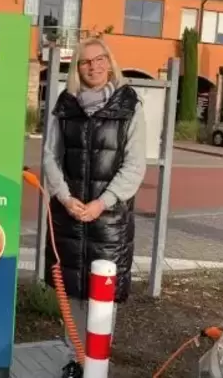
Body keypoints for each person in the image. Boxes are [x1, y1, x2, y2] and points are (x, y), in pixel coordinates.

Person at [42, 37, 146, 376]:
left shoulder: (130, 105)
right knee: (72, 290)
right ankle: (78, 359)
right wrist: (65, 198)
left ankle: (97, 362)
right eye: (86, 62)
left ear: (109, 62)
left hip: (108, 220)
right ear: (78, 67)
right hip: (69, 215)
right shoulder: (65, 104)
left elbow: (134, 165)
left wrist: (102, 203)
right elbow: (50, 156)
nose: (94, 66)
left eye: (100, 59)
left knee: (102, 296)